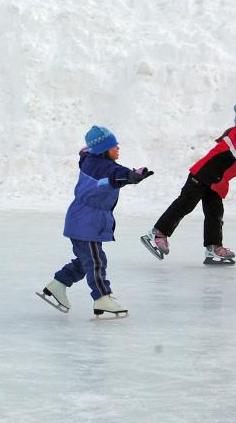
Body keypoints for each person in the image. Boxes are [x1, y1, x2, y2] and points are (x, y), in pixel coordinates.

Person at [36, 126, 154, 318]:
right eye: (113, 146)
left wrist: (130, 175)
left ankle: (58, 284)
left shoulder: (91, 161)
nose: (118, 148)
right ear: (103, 150)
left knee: (87, 261)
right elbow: (114, 174)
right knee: (96, 261)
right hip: (86, 222)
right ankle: (102, 297)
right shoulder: (99, 167)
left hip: (84, 220)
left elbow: (110, 172)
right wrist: (130, 176)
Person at [141, 103, 236, 265]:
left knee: (215, 213)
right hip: (201, 176)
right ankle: (157, 234)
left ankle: (213, 248)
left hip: (215, 183)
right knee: (185, 205)